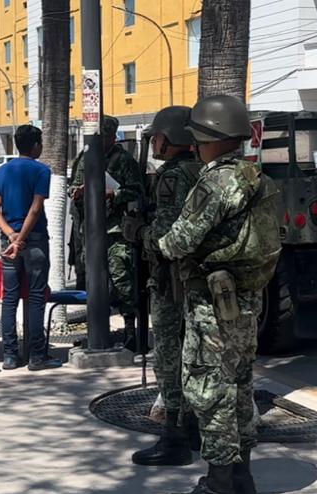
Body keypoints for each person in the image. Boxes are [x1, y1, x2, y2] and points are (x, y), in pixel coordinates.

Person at [154, 95, 282, 494]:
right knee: (241, 384)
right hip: (246, 299)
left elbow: (179, 241)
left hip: (213, 303)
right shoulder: (256, 177)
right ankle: (242, 478)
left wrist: (162, 242)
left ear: (208, 138)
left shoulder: (215, 182)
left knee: (208, 388)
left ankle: (218, 486)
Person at [122, 106, 203, 467]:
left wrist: (137, 231)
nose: (153, 141)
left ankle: (174, 436)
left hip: (172, 281)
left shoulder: (172, 177)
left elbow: (168, 236)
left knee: (169, 358)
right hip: (198, 281)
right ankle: (196, 428)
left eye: (156, 136)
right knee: (196, 358)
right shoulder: (204, 171)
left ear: (170, 140)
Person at [67, 115, 146, 350]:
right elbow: (73, 185)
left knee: (122, 282)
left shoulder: (123, 160)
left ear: (113, 137)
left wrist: (114, 194)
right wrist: (77, 191)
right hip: (89, 230)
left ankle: (131, 333)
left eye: (107, 137)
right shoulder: (84, 157)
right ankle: (98, 332)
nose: (103, 141)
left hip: (116, 231)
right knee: (92, 284)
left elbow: (137, 190)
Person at [0, 124, 62, 371]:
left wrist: (11, 236)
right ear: (36, 145)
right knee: (37, 295)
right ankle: (37, 356)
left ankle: (10, 355)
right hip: (35, 239)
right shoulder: (42, 171)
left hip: (8, 242)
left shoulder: (0, 172)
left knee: (10, 298)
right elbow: (36, 208)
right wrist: (22, 239)